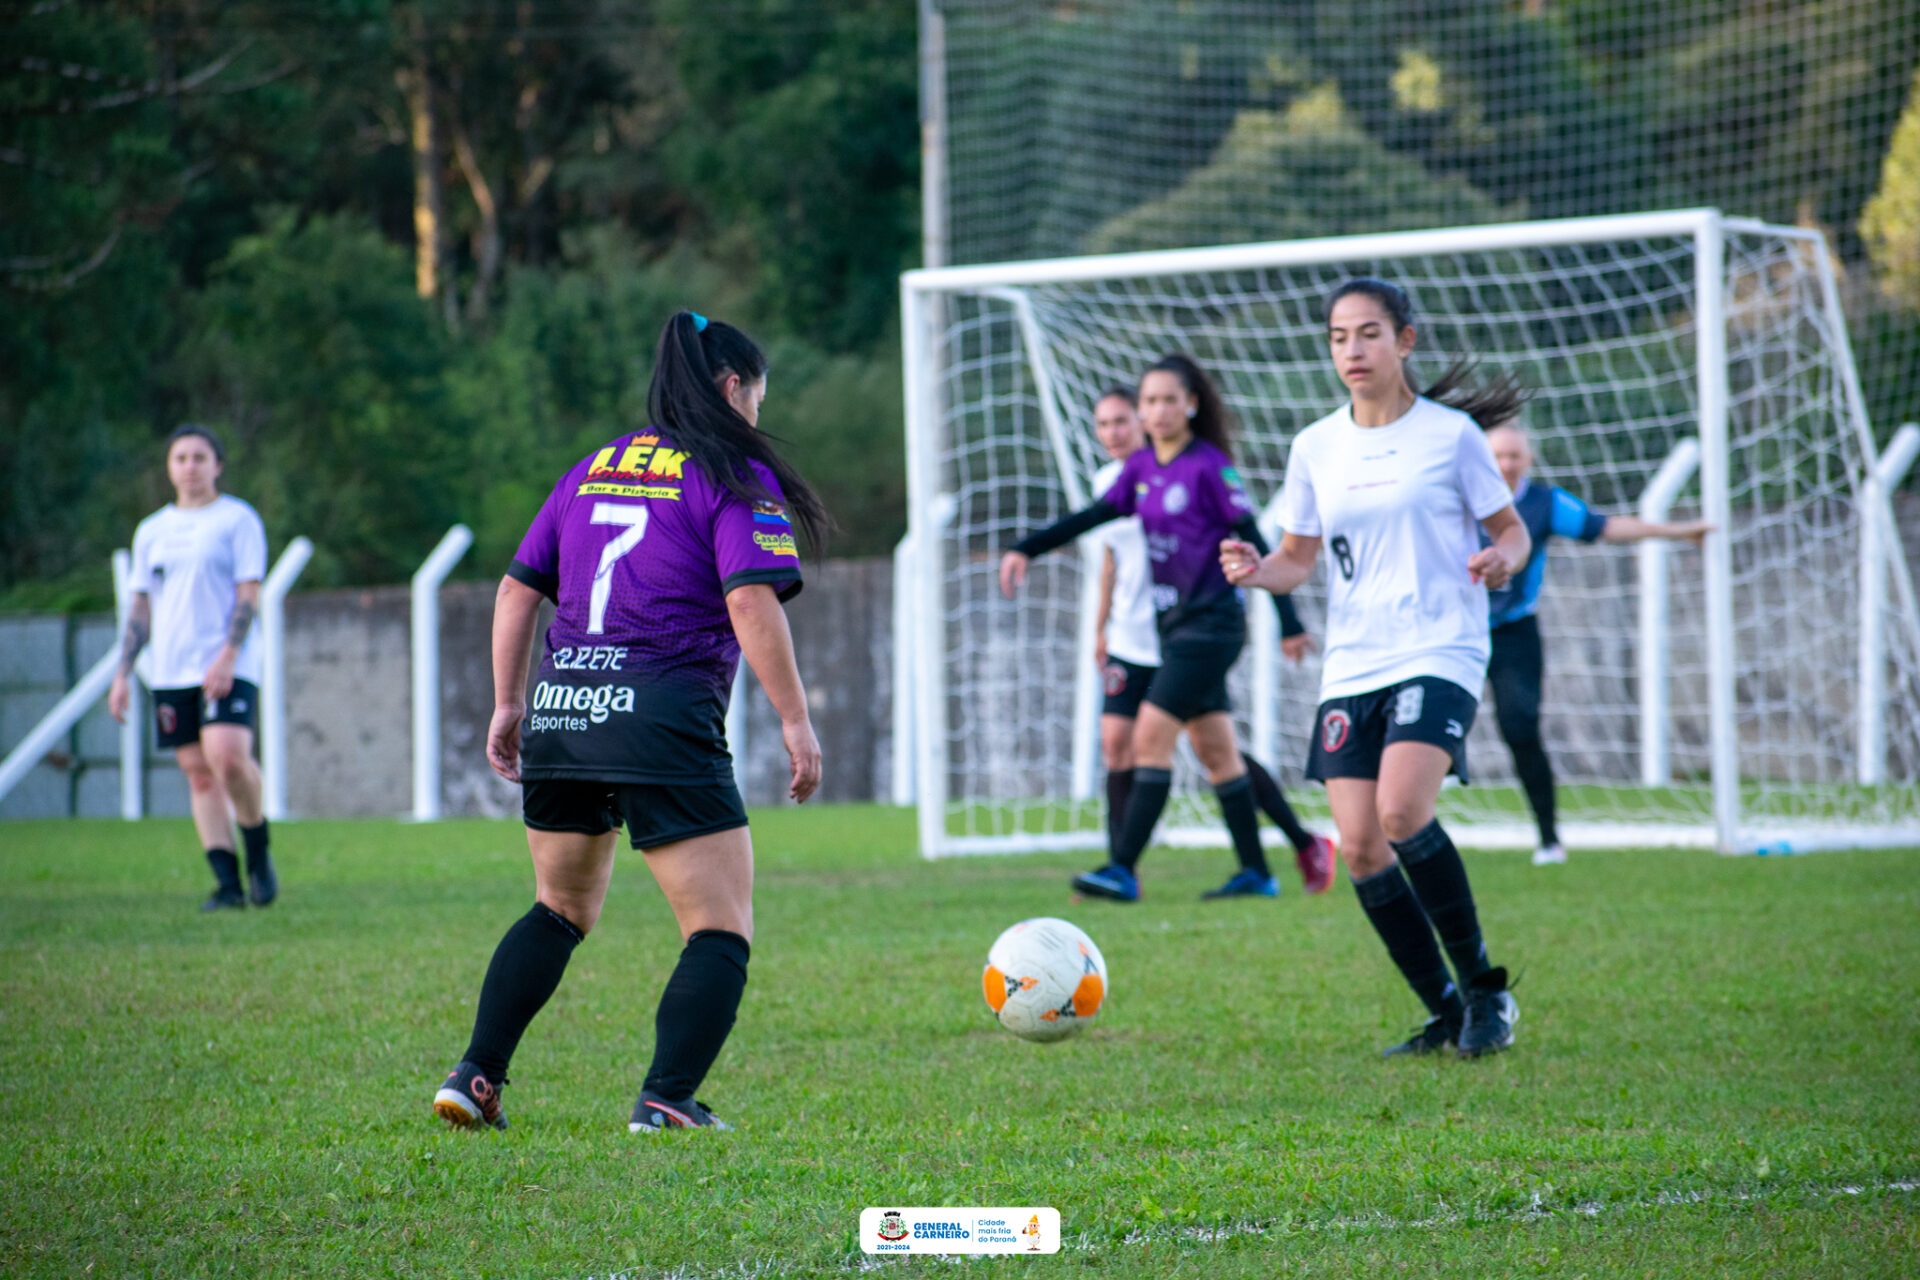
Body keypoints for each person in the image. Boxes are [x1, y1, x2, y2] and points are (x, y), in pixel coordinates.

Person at [433, 311, 827, 1134]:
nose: (756, 412)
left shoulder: (592, 468)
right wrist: (795, 720)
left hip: (564, 708)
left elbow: (515, 591)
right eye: (757, 395)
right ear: (732, 387)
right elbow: (749, 598)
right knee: (718, 927)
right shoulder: (730, 471)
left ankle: (475, 1074)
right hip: (659, 713)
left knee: (557, 907)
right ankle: (666, 1098)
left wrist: (509, 705)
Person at [1221, 277, 1533, 1059]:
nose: (1352, 350)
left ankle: (1487, 993)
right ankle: (1446, 1009)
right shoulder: (1315, 446)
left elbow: (1512, 531)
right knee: (1359, 846)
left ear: (1405, 341)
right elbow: (1297, 557)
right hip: (1353, 662)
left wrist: (1501, 560)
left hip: (1440, 648)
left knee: (1401, 812)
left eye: (1368, 333)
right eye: (1338, 337)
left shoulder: (1452, 436)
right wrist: (1257, 572)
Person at [999, 355, 1309, 903]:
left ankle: (1121, 868)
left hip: (1212, 627)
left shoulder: (1210, 466)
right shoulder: (1139, 471)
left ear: (1191, 405)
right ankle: (1257, 873)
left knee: (1148, 737)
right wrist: (1028, 547)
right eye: (1150, 401)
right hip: (1174, 629)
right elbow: (1095, 515)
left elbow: (1255, 538)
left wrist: (1289, 620)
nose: (1158, 410)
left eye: (1169, 400)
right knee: (1218, 751)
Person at [1085, 386, 1335, 894]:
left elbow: (1231, 539)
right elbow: (1110, 560)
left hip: (1186, 636)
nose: (1114, 432)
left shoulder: (1183, 472)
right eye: (1104, 424)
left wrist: (1286, 618)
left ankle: (1123, 870)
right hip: (1134, 640)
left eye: (1122, 421)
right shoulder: (1110, 482)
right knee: (1124, 745)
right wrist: (1101, 624)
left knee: (1196, 748)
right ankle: (1119, 866)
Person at [1481, 420, 1712, 866]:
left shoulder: (1544, 503)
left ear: (1528, 459)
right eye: (1497, 456)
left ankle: (1549, 839)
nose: (1506, 464)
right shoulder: (1459, 497)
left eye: (1514, 455)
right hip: (1453, 632)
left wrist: (1677, 532)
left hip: (1513, 632)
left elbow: (1604, 527)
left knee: (1520, 728)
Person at [108, 425, 277, 912]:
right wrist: (123, 672)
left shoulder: (236, 519)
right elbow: (140, 608)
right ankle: (227, 886)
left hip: (228, 660)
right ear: (169, 467)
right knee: (199, 774)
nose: (190, 466)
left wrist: (228, 655)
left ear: (217, 465)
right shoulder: (151, 531)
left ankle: (258, 851)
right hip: (172, 669)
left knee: (227, 757)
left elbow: (249, 593)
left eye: (200, 457)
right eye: (181, 457)